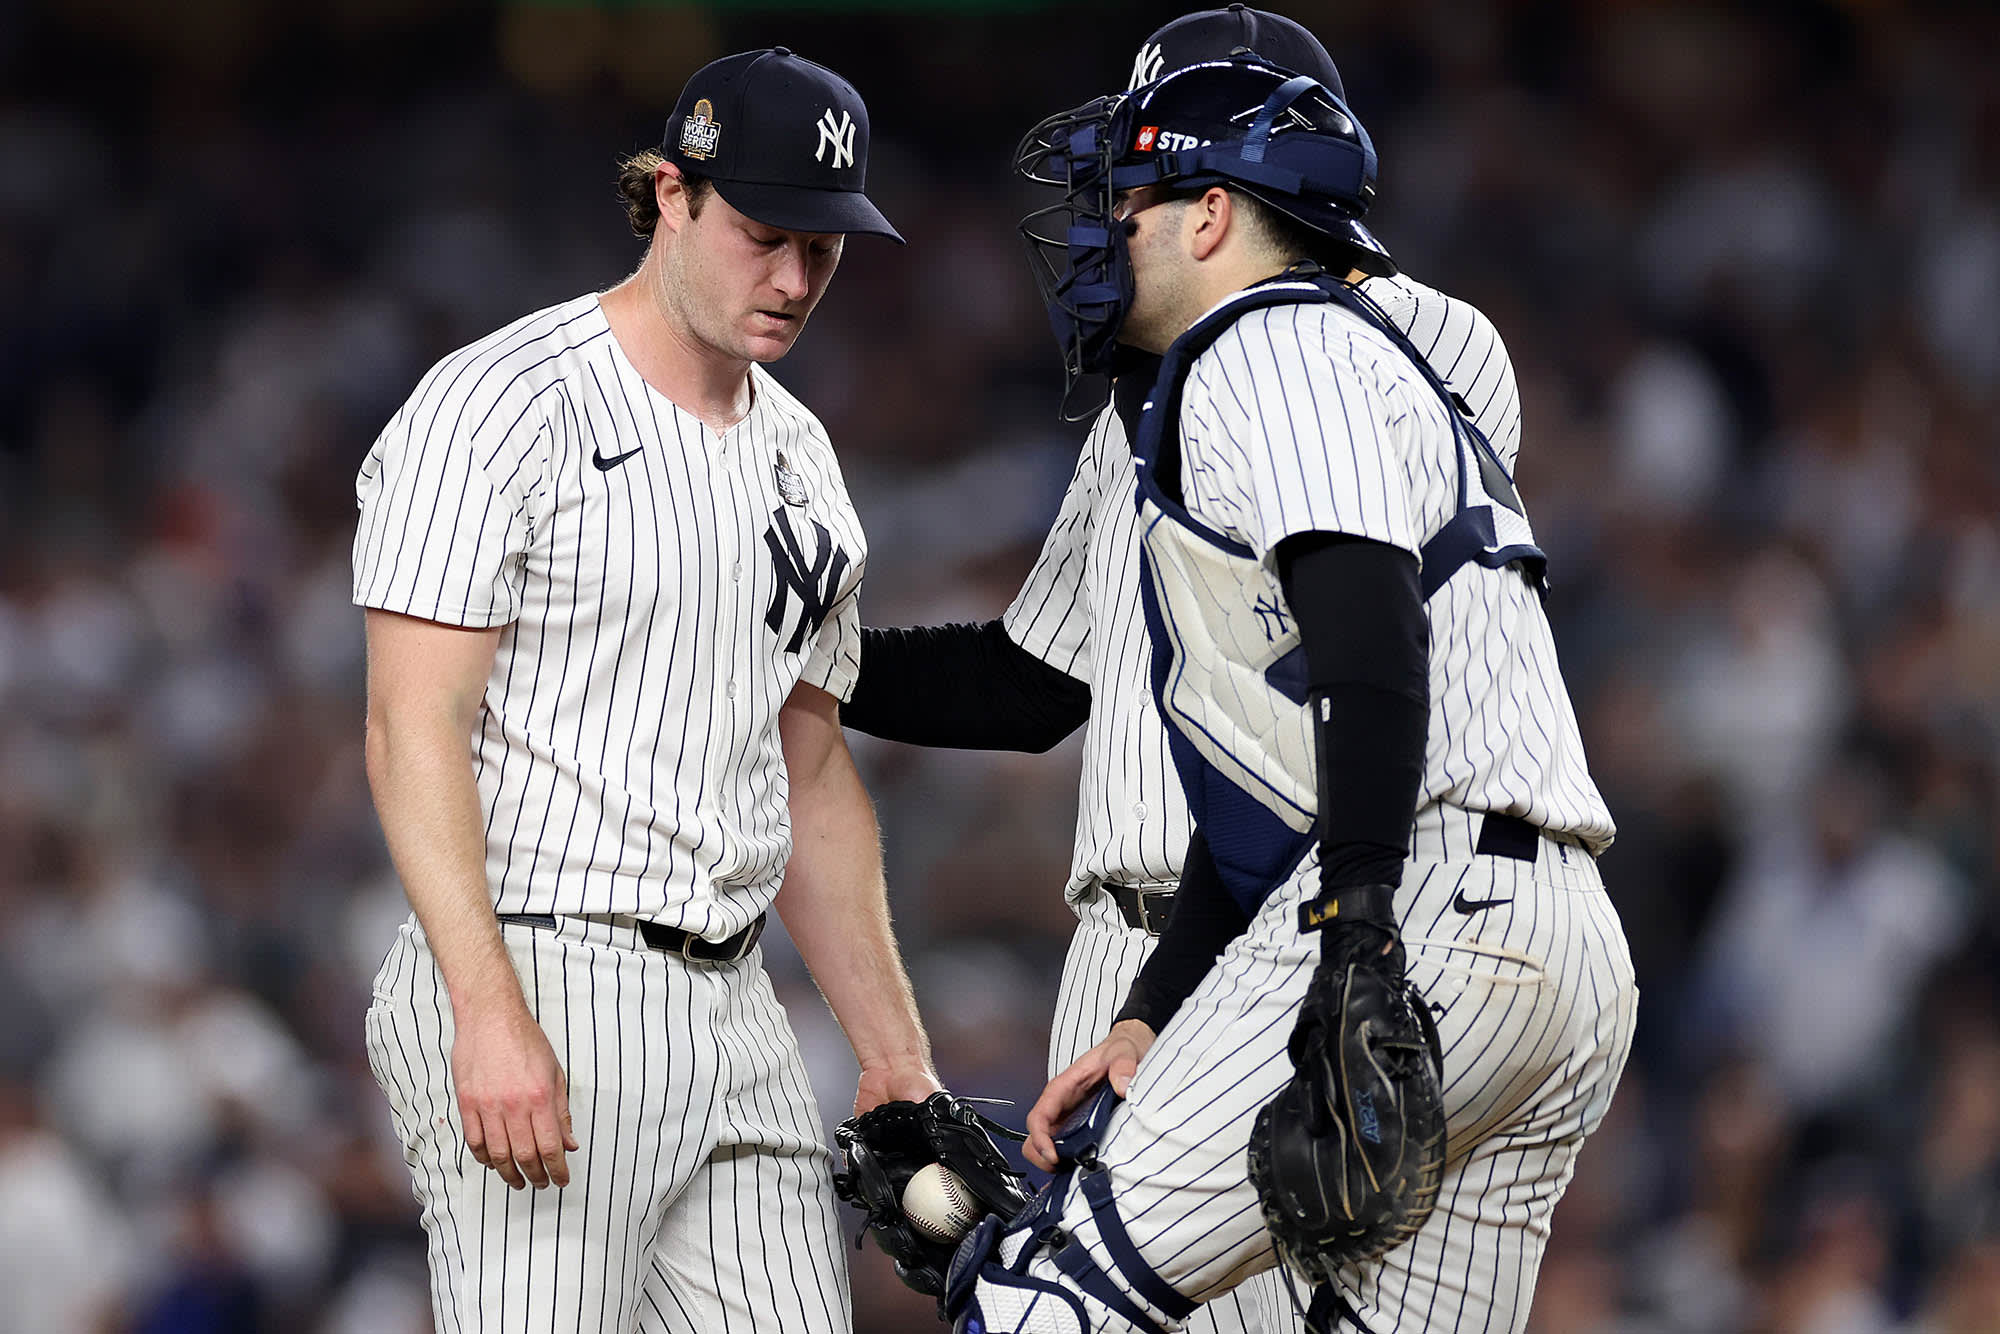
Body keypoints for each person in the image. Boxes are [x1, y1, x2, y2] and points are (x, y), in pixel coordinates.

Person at [840, 10, 1560, 1332]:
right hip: (1147, 962)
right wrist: (801, 658)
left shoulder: (1401, 342)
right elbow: (1029, 681)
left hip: (1314, 926)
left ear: (1231, 194)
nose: (1119, 220)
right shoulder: (1161, 394)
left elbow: (1365, 599)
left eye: (1144, 185)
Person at [351, 48, 941, 1333]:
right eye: (762, 233)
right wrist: (487, 1008)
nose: (793, 279)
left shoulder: (800, 451)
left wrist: (893, 1054)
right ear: (671, 192)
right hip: (546, 963)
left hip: (741, 1004)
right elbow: (412, 729)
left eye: (823, 248)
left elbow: (809, 766)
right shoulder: (501, 404)